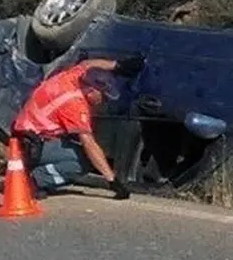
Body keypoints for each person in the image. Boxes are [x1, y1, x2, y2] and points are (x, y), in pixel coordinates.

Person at [11, 55, 144, 200]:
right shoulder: (74, 104)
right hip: (29, 145)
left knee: (77, 148)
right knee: (84, 161)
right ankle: (36, 180)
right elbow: (89, 144)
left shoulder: (76, 76)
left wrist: (116, 65)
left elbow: (88, 64)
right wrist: (112, 181)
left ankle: (33, 173)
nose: (104, 101)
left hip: (26, 134)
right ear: (93, 91)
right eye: (104, 97)